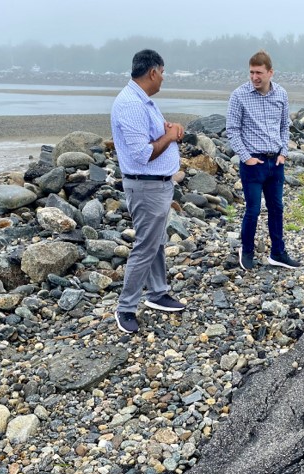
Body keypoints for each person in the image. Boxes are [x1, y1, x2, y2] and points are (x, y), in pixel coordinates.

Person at [111, 49, 186, 333]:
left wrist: (170, 131)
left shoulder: (143, 101)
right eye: (163, 73)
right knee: (145, 246)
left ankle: (157, 293)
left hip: (155, 184)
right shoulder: (131, 104)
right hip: (145, 184)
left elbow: (156, 135)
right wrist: (169, 135)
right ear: (153, 72)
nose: (163, 79)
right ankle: (125, 308)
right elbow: (142, 154)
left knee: (155, 242)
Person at [226, 50, 301, 271]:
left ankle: (278, 253)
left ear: (270, 72)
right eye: (251, 72)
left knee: (277, 208)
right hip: (253, 164)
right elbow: (232, 130)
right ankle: (246, 250)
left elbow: (284, 126)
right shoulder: (239, 95)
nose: (254, 77)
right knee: (253, 210)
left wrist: (283, 153)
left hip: (275, 163)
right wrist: (246, 157)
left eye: (259, 72)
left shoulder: (281, 94)